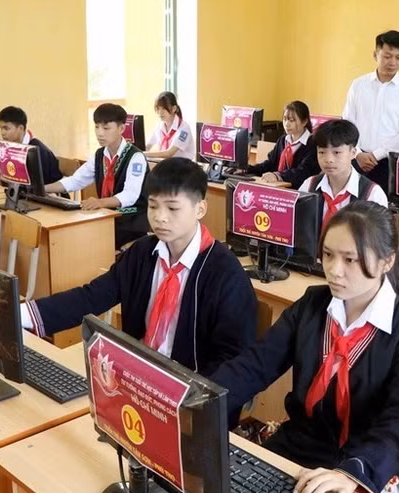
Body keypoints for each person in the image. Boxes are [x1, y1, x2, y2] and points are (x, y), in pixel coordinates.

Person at [210, 201, 399, 493]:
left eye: (350, 259)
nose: (333, 270)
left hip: (370, 463)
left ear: (387, 261)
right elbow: (253, 367)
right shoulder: (313, 304)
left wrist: (354, 473)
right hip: (302, 447)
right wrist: (197, 400)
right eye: (328, 255)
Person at [24, 158, 256, 375]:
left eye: (172, 208)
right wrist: (23, 314)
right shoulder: (142, 253)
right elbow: (90, 297)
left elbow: (232, 360)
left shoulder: (225, 274)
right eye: (153, 206)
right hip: (134, 378)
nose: (160, 217)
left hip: (190, 395)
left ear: (200, 209)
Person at [44, 103, 149, 248]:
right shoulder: (99, 155)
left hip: (131, 222)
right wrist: (42, 188)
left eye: (106, 128)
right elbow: (75, 181)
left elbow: (130, 196)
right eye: (96, 127)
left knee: (86, 239)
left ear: (121, 129)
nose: (100, 133)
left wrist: (100, 202)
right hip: (107, 216)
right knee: (72, 233)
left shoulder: (135, 157)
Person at [342, 30, 399, 194]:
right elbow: (347, 124)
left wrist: (376, 155)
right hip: (356, 159)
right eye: (387, 56)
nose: (393, 62)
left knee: (380, 213)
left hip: (387, 164)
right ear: (375, 55)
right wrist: (358, 154)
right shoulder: (358, 85)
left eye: (398, 57)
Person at [299, 119, 387, 229]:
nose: (328, 159)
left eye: (337, 152)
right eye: (322, 152)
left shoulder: (372, 194)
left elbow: (378, 241)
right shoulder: (308, 186)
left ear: (353, 153)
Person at [246, 100, 318, 189]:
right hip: (280, 188)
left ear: (304, 121)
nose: (287, 124)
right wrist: (247, 169)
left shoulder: (313, 144)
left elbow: (304, 172)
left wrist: (278, 176)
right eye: (284, 119)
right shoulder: (283, 140)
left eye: (292, 120)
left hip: (301, 192)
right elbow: (271, 164)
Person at [144, 91, 195, 160]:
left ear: (174, 108)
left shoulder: (184, 128)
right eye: (158, 108)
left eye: (164, 108)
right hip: (167, 165)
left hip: (183, 167)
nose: (160, 112)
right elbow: (148, 146)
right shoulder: (159, 126)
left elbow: (169, 153)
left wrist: (143, 154)